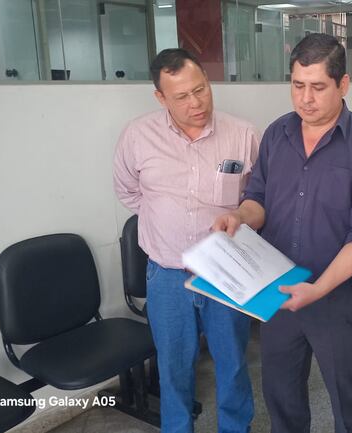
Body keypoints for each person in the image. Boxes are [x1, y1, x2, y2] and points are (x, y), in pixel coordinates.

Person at [212, 33, 352, 433]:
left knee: (350, 402)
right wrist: (239, 217)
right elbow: (259, 199)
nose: (305, 99)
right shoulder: (277, 134)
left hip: (337, 299)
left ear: (343, 85)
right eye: (297, 86)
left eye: (318, 87)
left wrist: (318, 289)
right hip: (277, 289)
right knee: (282, 397)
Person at [113, 48, 259, 433]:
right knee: (173, 367)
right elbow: (128, 191)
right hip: (167, 275)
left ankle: (235, 428)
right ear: (160, 97)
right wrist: (164, 219)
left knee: (233, 363)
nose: (196, 103)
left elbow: (258, 197)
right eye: (181, 96)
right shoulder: (137, 136)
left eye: (201, 89)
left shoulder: (243, 135)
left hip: (225, 271)